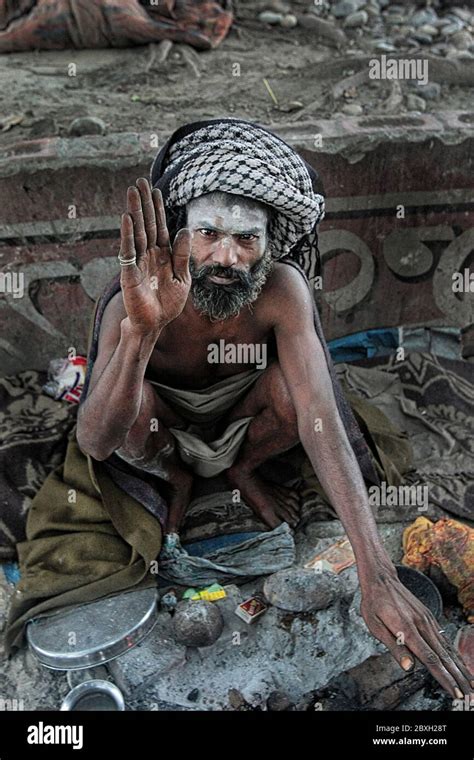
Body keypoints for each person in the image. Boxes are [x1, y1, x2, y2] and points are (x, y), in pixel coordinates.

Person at [75, 118, 472, 700]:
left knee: (294, 394)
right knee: (135, 413)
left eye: (247, 239)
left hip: (247, 415)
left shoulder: (281, 290)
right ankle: (177, 477)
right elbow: (94, 442)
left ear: (270, 246)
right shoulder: (139, 294)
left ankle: (241, 469)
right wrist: (140, 333)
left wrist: (375, 571)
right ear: (179, 235)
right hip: (165, 428)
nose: (226, 257)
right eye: (207, 232)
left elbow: (321, 416)